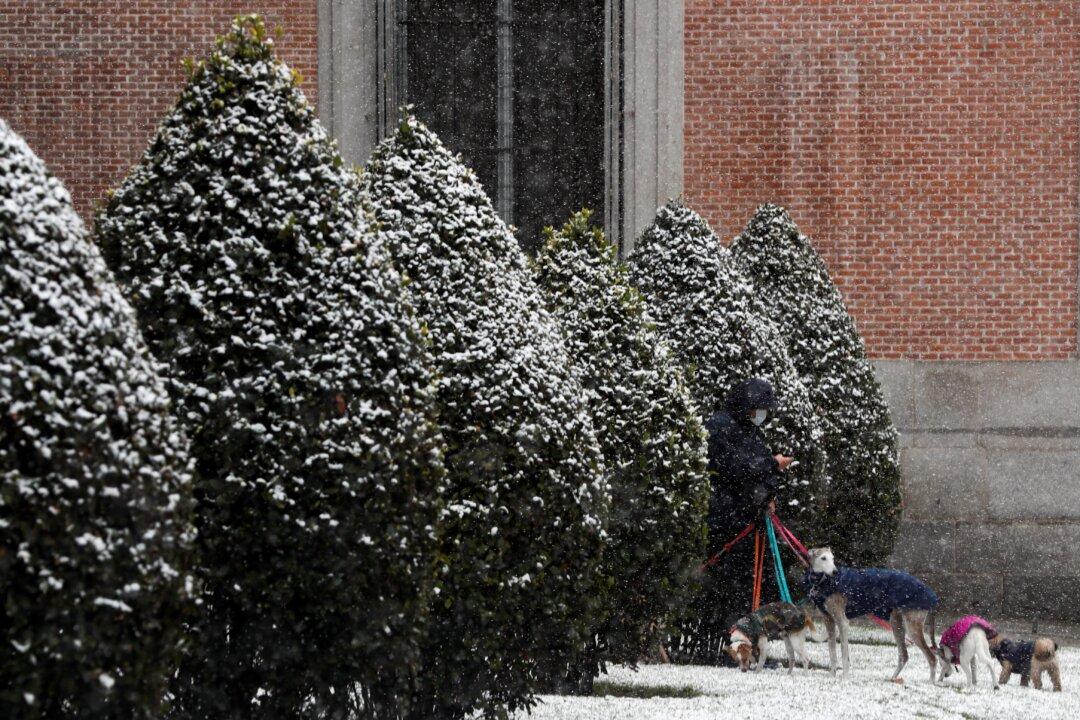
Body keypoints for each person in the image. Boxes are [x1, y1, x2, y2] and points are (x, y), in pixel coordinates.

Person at [701, 377, 795, 664]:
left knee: (754, 588)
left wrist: (768, 493)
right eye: (757, 409)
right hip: (728, 525)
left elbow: (755, 470)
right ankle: (730, 648)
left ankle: (749, 647)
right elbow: (734, 468)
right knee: (731, 589)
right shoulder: (720, 427)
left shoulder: (751, 432)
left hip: (751, 522)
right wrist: (771, 464)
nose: (761, 416)